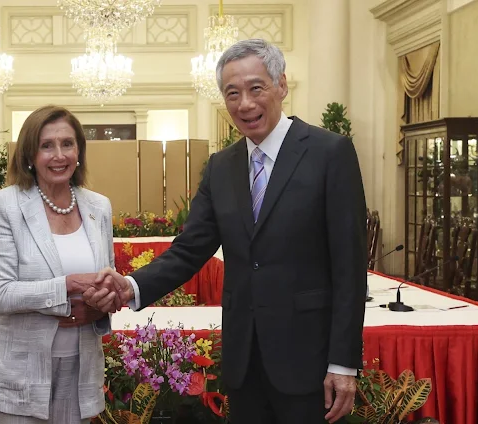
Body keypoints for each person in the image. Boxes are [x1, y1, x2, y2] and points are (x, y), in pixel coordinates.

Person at [86, 39, 367, 423]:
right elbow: (190, 249)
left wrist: (344, 363)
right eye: (232, 93)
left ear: (281, 85)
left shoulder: (329, 153)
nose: (245, 104)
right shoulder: (221, 167)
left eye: (256, 88)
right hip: (243, 361)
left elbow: (350, 267)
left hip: (309, 360)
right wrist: (130, 286)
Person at [0, 105, 120, 424]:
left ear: (79, 150)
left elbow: (105, 280)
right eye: (46, 145)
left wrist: (102, 304)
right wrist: (67, 286)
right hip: (19, 375)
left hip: (81, 371)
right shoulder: (4, 206)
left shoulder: (99, 207)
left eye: (67, 143)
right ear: (29, 154)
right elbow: (0, 293)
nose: (59, 155)